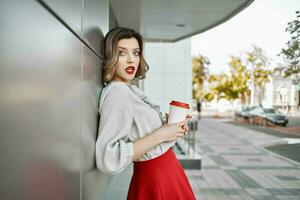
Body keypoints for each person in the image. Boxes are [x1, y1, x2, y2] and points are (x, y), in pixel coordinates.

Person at [96, 27, 196, 200]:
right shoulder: (117, 93)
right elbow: (108, 158)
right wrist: (163, 133)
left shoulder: (128, 90)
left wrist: (171, 128)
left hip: (166, 172)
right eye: (121, 53)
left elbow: (146, 137)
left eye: (135, 53)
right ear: (110, 56)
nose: (131, 60)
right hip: (156, 177)